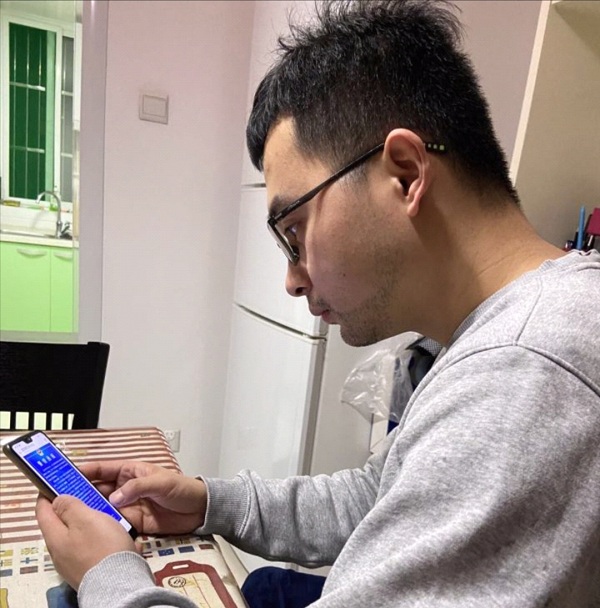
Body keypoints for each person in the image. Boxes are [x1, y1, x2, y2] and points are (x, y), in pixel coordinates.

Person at [36, 1, 600, 606]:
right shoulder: (506, 334)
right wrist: (209, 503)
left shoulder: (524, 374)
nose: (291, 279)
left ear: (406, 174)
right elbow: (378, 496)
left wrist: (108, 577)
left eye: (294, 232)